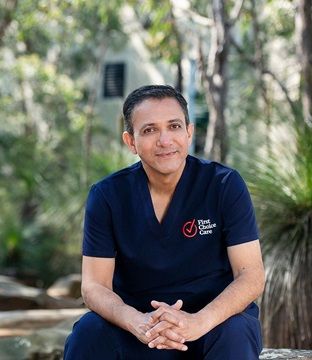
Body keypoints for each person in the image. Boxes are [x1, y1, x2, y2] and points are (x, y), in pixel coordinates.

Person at [64, 85, 265, 360]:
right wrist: (137, 322)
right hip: (140, 330)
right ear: (130, 141)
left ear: (189, 132)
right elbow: (94, 286)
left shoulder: (224, 185)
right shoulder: (108, 195)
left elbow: (251, 276)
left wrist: (197, 323)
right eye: (149, 130)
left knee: (236, 330)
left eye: (174, 126)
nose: (165, 140)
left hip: (212, 326)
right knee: (89, 330)